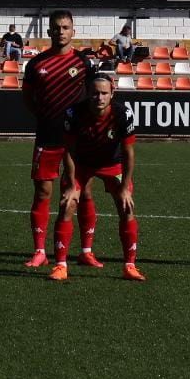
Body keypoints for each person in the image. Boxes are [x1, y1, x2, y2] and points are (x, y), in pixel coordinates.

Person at [21, 9, 99, 268]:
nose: (61, 32)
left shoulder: (84, 64)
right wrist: (46, 117)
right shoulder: (36, 64)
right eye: (56, 28)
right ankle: (40, 251)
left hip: (79, 142)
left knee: (83, 191)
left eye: (65, 27)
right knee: (43, 191)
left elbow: (94, 98)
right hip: (48, 136)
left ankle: (86, 250)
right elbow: (27, 98)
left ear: (73, 31)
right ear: (49, 31)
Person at [53, 73, 144, 283]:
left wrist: (124, 188)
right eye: (95, 93)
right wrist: (70, 183)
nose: (99, 98)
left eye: (104, 93)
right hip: (81, 164)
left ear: (112, 93)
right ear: (88, 94)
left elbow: (129, 152)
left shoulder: (123, 114)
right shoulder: (73, 113)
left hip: (112, 164)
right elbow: (68, 151)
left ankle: (129, 265)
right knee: (67, 204)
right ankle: (60, 266)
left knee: (126, 207)